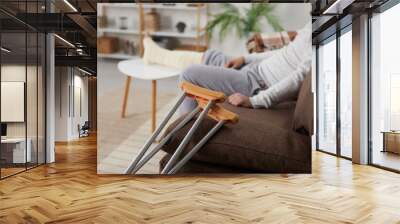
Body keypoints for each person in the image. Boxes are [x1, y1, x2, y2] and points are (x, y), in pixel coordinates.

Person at [142, 23, 311, 114]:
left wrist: (256, 101)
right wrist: (245, 58)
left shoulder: (328, 26)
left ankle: (184, 135)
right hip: (256, 68)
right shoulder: (316, 18)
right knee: (213, 57)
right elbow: (286, 53)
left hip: (258, 83)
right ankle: (156, 54)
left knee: (189, 74)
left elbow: (301, 76)